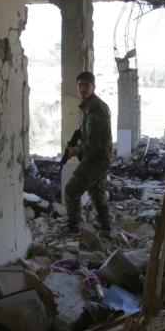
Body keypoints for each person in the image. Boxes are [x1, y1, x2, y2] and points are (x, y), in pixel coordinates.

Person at [63, 71, 112, 235]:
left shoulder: (95, 108)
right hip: (98, 158)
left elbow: (93, 144)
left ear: (93, 87)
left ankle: (73, 226)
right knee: (96, 190)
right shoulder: (89, 106)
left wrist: (74, 150)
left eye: (86, 85)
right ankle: (105, 225)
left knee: (71, 190)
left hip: (96, 159)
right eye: (80, 85)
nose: (83, 88)